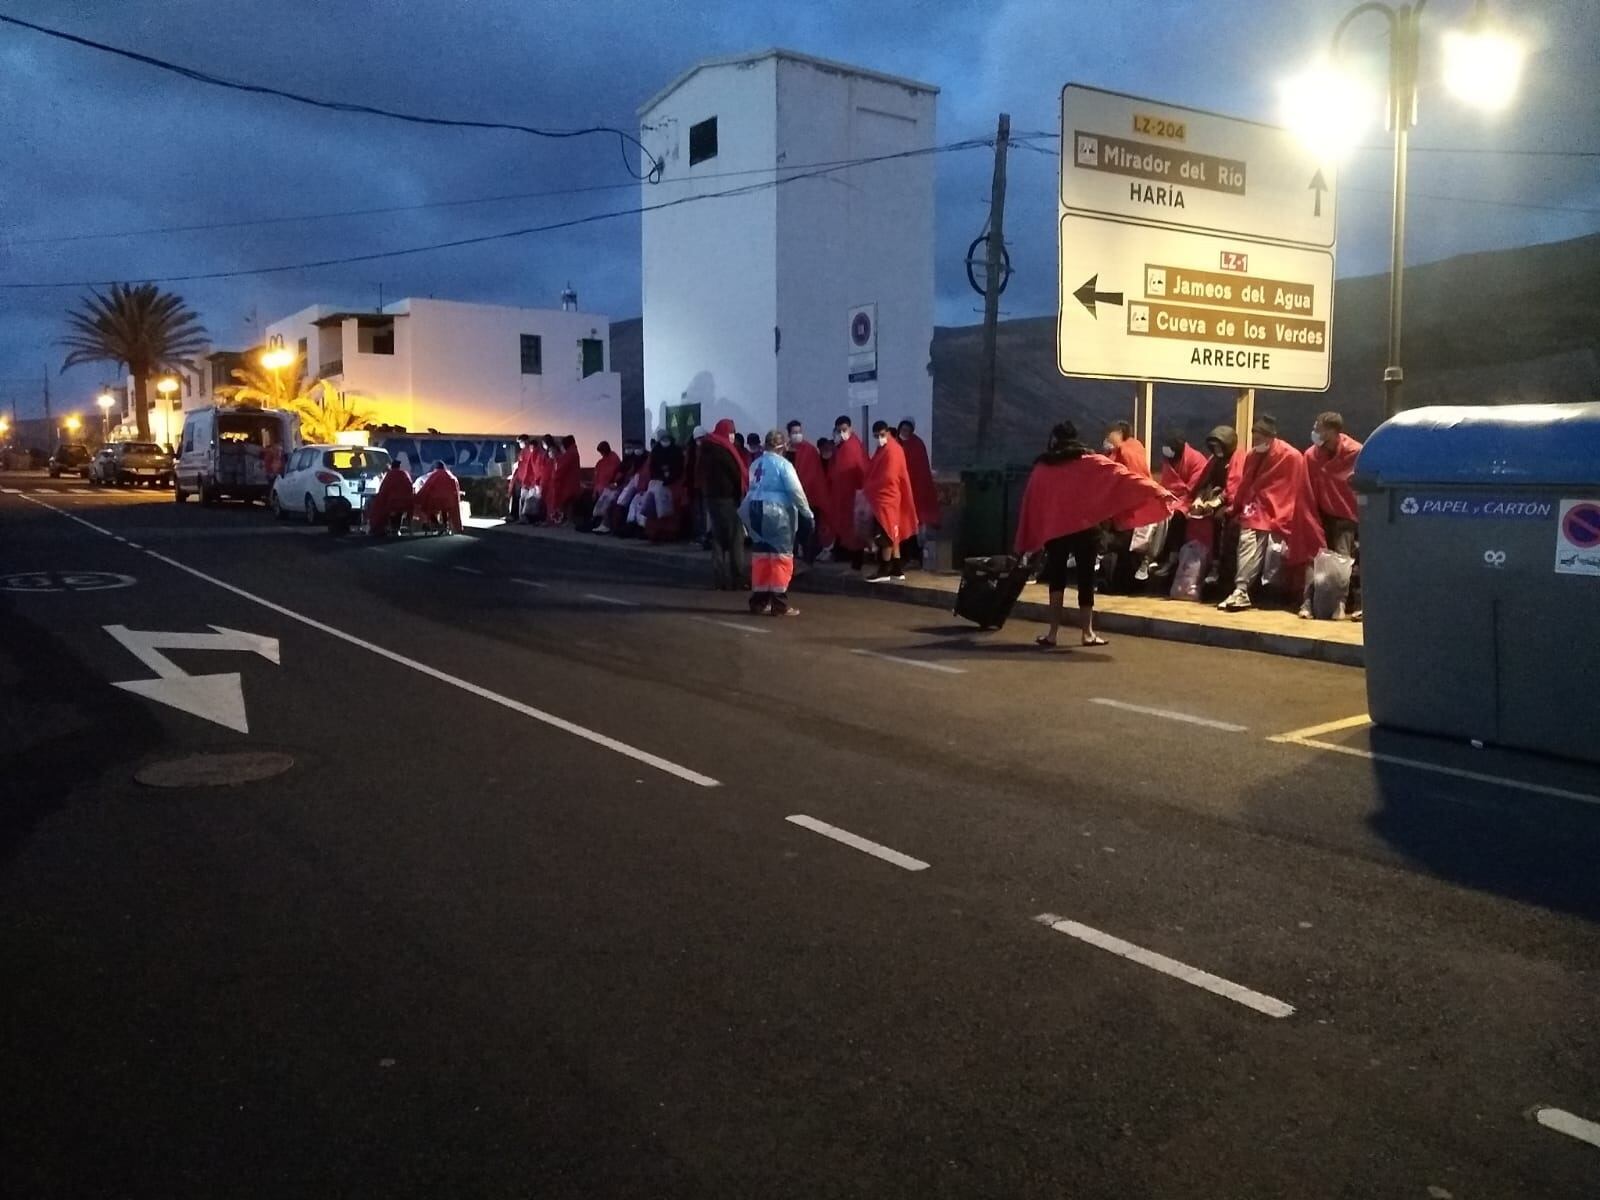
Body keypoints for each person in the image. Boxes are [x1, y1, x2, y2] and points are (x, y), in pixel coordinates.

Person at [1014, 422, 1176, 647]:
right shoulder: (1090, 461)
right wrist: (1158, 490)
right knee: (1086, 579)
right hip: (1086, 529)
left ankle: (1052, 633)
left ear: (1054, 440)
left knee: (1057, 580)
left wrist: (1028, 536)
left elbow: (1031, 501)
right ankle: (1087, 633)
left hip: (1057, 531)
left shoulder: (1044, 467)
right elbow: (1124, 477)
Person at [1218, 416, 1326, 612]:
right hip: (1256, 508)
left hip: (1283, 511)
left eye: (1259, 439)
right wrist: (1236, 507)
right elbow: (1245, 483)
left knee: (1273, 551)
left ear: (1270, 438)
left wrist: (1289, 514)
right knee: (1248, 541)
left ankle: (1266, 592)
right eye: (1254, 439)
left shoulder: (1292, 456)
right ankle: (1241, 589)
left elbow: (1299, 488)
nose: (1256, 443)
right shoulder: (1253, 456)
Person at [741, 429, 814, 616]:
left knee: (762, 557)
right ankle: (779, 604)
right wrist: (807, 513)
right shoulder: (784, 465)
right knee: (781, 557)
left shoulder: (756, 464)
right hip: (777, 513)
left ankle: (759, 602)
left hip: (755, 510)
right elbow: (795, 491)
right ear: (783, 446)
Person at [1300, 411, 1363, 619]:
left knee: (1342, 560)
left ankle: (1340, 605)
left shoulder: (1355, 453)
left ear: (1332, 431)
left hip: (1346, 516)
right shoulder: (1311, 456)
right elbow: (1306, 486)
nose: (1315, 431)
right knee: (1313, 557)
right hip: (1319, 513)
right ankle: (1308, 603)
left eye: (1319, 427)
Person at [1139, 429, 1210, 579]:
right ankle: (1143, 554)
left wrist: (1174, 500)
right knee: (1150, 510)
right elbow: (1167, 483)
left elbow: (1194, 487)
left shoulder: (1196, 460)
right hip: (1169, 496)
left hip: (1189, 499)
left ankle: (1162, 557)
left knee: (1175, 516)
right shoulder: (1168, 460)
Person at [862, 420, 919, 583]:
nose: (879, 438)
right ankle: (896, 567)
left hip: (886, 498)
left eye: (881, 435)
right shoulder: (889, 449)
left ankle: (884, 568)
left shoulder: (891, 451)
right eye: (876, 436)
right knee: (894, 533)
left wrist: (870, 486)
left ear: (887, 432)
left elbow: (888, 476)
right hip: (890, 497)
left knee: (886, 534)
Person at [699, 418, 749, 588]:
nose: (733, 435)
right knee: (736, 537)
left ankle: (719, 578)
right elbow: (735, 474)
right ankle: (738, 578)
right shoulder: (723, 450)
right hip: (727, 499)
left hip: (711, 498)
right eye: (731, 432)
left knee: (718, 538)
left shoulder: (707, 448)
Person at [826, 415, 869, 568]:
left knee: (855, 530)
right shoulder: (843, 446)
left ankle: (856, 562)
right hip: (844, 494)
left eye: (844, 430)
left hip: (853, 495)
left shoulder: (853, 446)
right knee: (847, 528)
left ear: (850, 428)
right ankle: (846, 556)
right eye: (839, 431)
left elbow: (860, 469)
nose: (842, 433)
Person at [897, 418, 939, 568]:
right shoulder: (896, 443)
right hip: (899, 493)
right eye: (903, 430)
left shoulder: (917, 445)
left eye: (907, 430)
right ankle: (902, 557)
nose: (904, 433)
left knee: (912, 529)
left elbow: (920, 471)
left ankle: (914, 558)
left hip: (914, 493)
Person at [785, 419, 830, 559]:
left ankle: (808, 556)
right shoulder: (784, 451)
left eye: (799, 432)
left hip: (807, 495)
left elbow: (813, 475)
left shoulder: (809, 450)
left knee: (807, 528)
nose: (797, 435)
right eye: (794, 432)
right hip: (788, 496)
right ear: (789, 434)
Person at [367, 457, 415, 539]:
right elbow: (410, 487)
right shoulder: (405, 474)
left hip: (392, 502)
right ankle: (396, 528)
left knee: (380, 506)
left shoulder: (390, 475)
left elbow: (383, 489)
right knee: (399, 510)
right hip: (406, 502)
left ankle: (383, 528)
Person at [413, 459, 464, 534]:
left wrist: (418, 497)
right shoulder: (452, 476)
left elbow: (426, 487)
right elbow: (456, 490)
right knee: (445, 508)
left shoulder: (434, 475)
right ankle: (445, 525)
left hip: (436, 501)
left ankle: (437, 525)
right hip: (449, 502)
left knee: (426, 508)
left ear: (435, 468)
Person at [587, 440, 622, 531]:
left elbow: (616, 475)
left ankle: (603, 523)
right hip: (600, 489)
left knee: (605, 503)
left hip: (610, 488)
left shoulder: (614, 459)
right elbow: (596, 477)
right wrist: (595, 490)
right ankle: (595, 521)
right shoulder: (600, 462)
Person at [546, 435, 581, 525]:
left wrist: (556, 477)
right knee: (570, 501)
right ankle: (569, 520)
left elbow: (561, 467)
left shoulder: (570, 453)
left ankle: (568, 520)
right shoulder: (574, 452)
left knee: (567, 501)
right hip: (573, 481)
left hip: (568, 482)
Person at [507, 433, 534, 522]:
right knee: (516, 498)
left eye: (521, 442)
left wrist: (525, 480)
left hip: (524, 479)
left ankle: (518, 516)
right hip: (519, 478)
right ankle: (514, 515)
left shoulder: (529, 451)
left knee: (520, 499)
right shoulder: (523, 451)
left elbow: (527, 467)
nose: (520, 444)